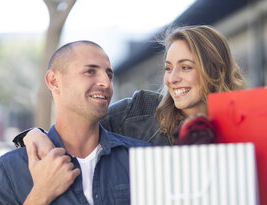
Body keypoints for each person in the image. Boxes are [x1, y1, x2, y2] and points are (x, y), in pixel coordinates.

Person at [0, 41, 148, 205]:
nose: (105, 82)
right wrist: (41, 193)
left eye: (109, 74)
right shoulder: (10, 168)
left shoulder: (142, 157)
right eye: (90, 72)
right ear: (53, 81)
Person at [14, 25, 245, 155]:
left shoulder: (246, 124)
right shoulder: (141, 111)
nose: (171, 79)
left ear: (214, 69)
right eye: (168, 68)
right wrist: (35, 134)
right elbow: (77, 130)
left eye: (185, 67)